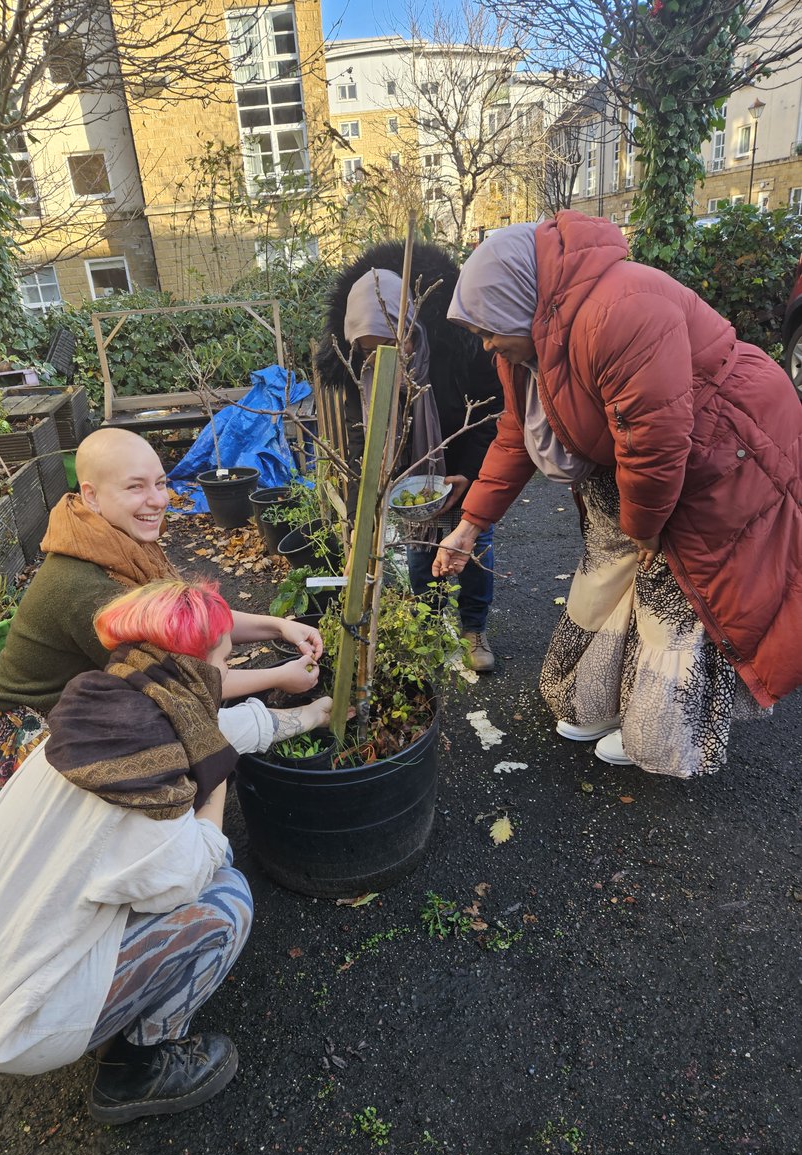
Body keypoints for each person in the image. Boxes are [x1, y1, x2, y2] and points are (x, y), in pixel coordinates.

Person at [0, 578, 335, 1122]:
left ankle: (110, 1005)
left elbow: (204, 731)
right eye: (225, 658)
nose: (229, 668)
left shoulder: (105, 716)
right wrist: (215, 775)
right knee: (224, 898)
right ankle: (136, 1069)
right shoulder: (145, 782)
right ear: (204, 669)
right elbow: (192, 865)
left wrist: (310, 717)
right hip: (18, 1022)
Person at [433, 211, 802, 778]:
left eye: (487, 330)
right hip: (641, 457)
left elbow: (655, 446)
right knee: (610, 574)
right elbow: (515, 434)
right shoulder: (527, 344)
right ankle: (603, 700)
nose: (485, 346)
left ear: (521, 301)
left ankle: (664, 732)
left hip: (723, 449)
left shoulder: (622, 308)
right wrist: (470, 525)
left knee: (676, 594)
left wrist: (647, 530)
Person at [0, 427, 326, 839]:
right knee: (186, 738)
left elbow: (196, 621)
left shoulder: (111, 540)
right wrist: (282, 678)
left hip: (82, 710)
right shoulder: (89, 588)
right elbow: (185, 687)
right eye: (136, 487)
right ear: (92, 495)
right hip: (33, 745)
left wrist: (279, 625)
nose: (158, 500)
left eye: (160, 483)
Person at [316, 242, 504, 673]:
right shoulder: (354, 370)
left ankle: (474, 628)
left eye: (389, 344)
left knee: (476, 546)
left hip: (463, 462)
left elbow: (491, 416)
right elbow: (360, 437)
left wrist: (470, 477)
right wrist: (373, 498)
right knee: (422, 550)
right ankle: (430, 625)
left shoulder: (457, 353)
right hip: (411, 477)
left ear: (408, 329)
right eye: (368, 350)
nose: (381, 360)